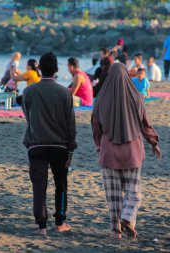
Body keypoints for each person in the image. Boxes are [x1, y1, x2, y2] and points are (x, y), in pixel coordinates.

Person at [91, 62, 162, 239]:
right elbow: (146, 125)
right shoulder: (137, 97)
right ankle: (128, 218)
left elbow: (95, 126)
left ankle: (116, 231)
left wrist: (99, 145)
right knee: (133, 190)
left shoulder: (101, 98)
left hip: (109, 152)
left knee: (113, 195)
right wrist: (154, 143)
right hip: (132, 151)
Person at [22, 52, 77, 236]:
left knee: (39, 186)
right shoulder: (64, 93)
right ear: (57, 70)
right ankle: (60, 223)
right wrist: (70, 148)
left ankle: (42, 226)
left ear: (39, 69)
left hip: (36, 144)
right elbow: (71, 124)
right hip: (59, 146)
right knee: (61, 184)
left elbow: (28, 118)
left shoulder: (28, 91)